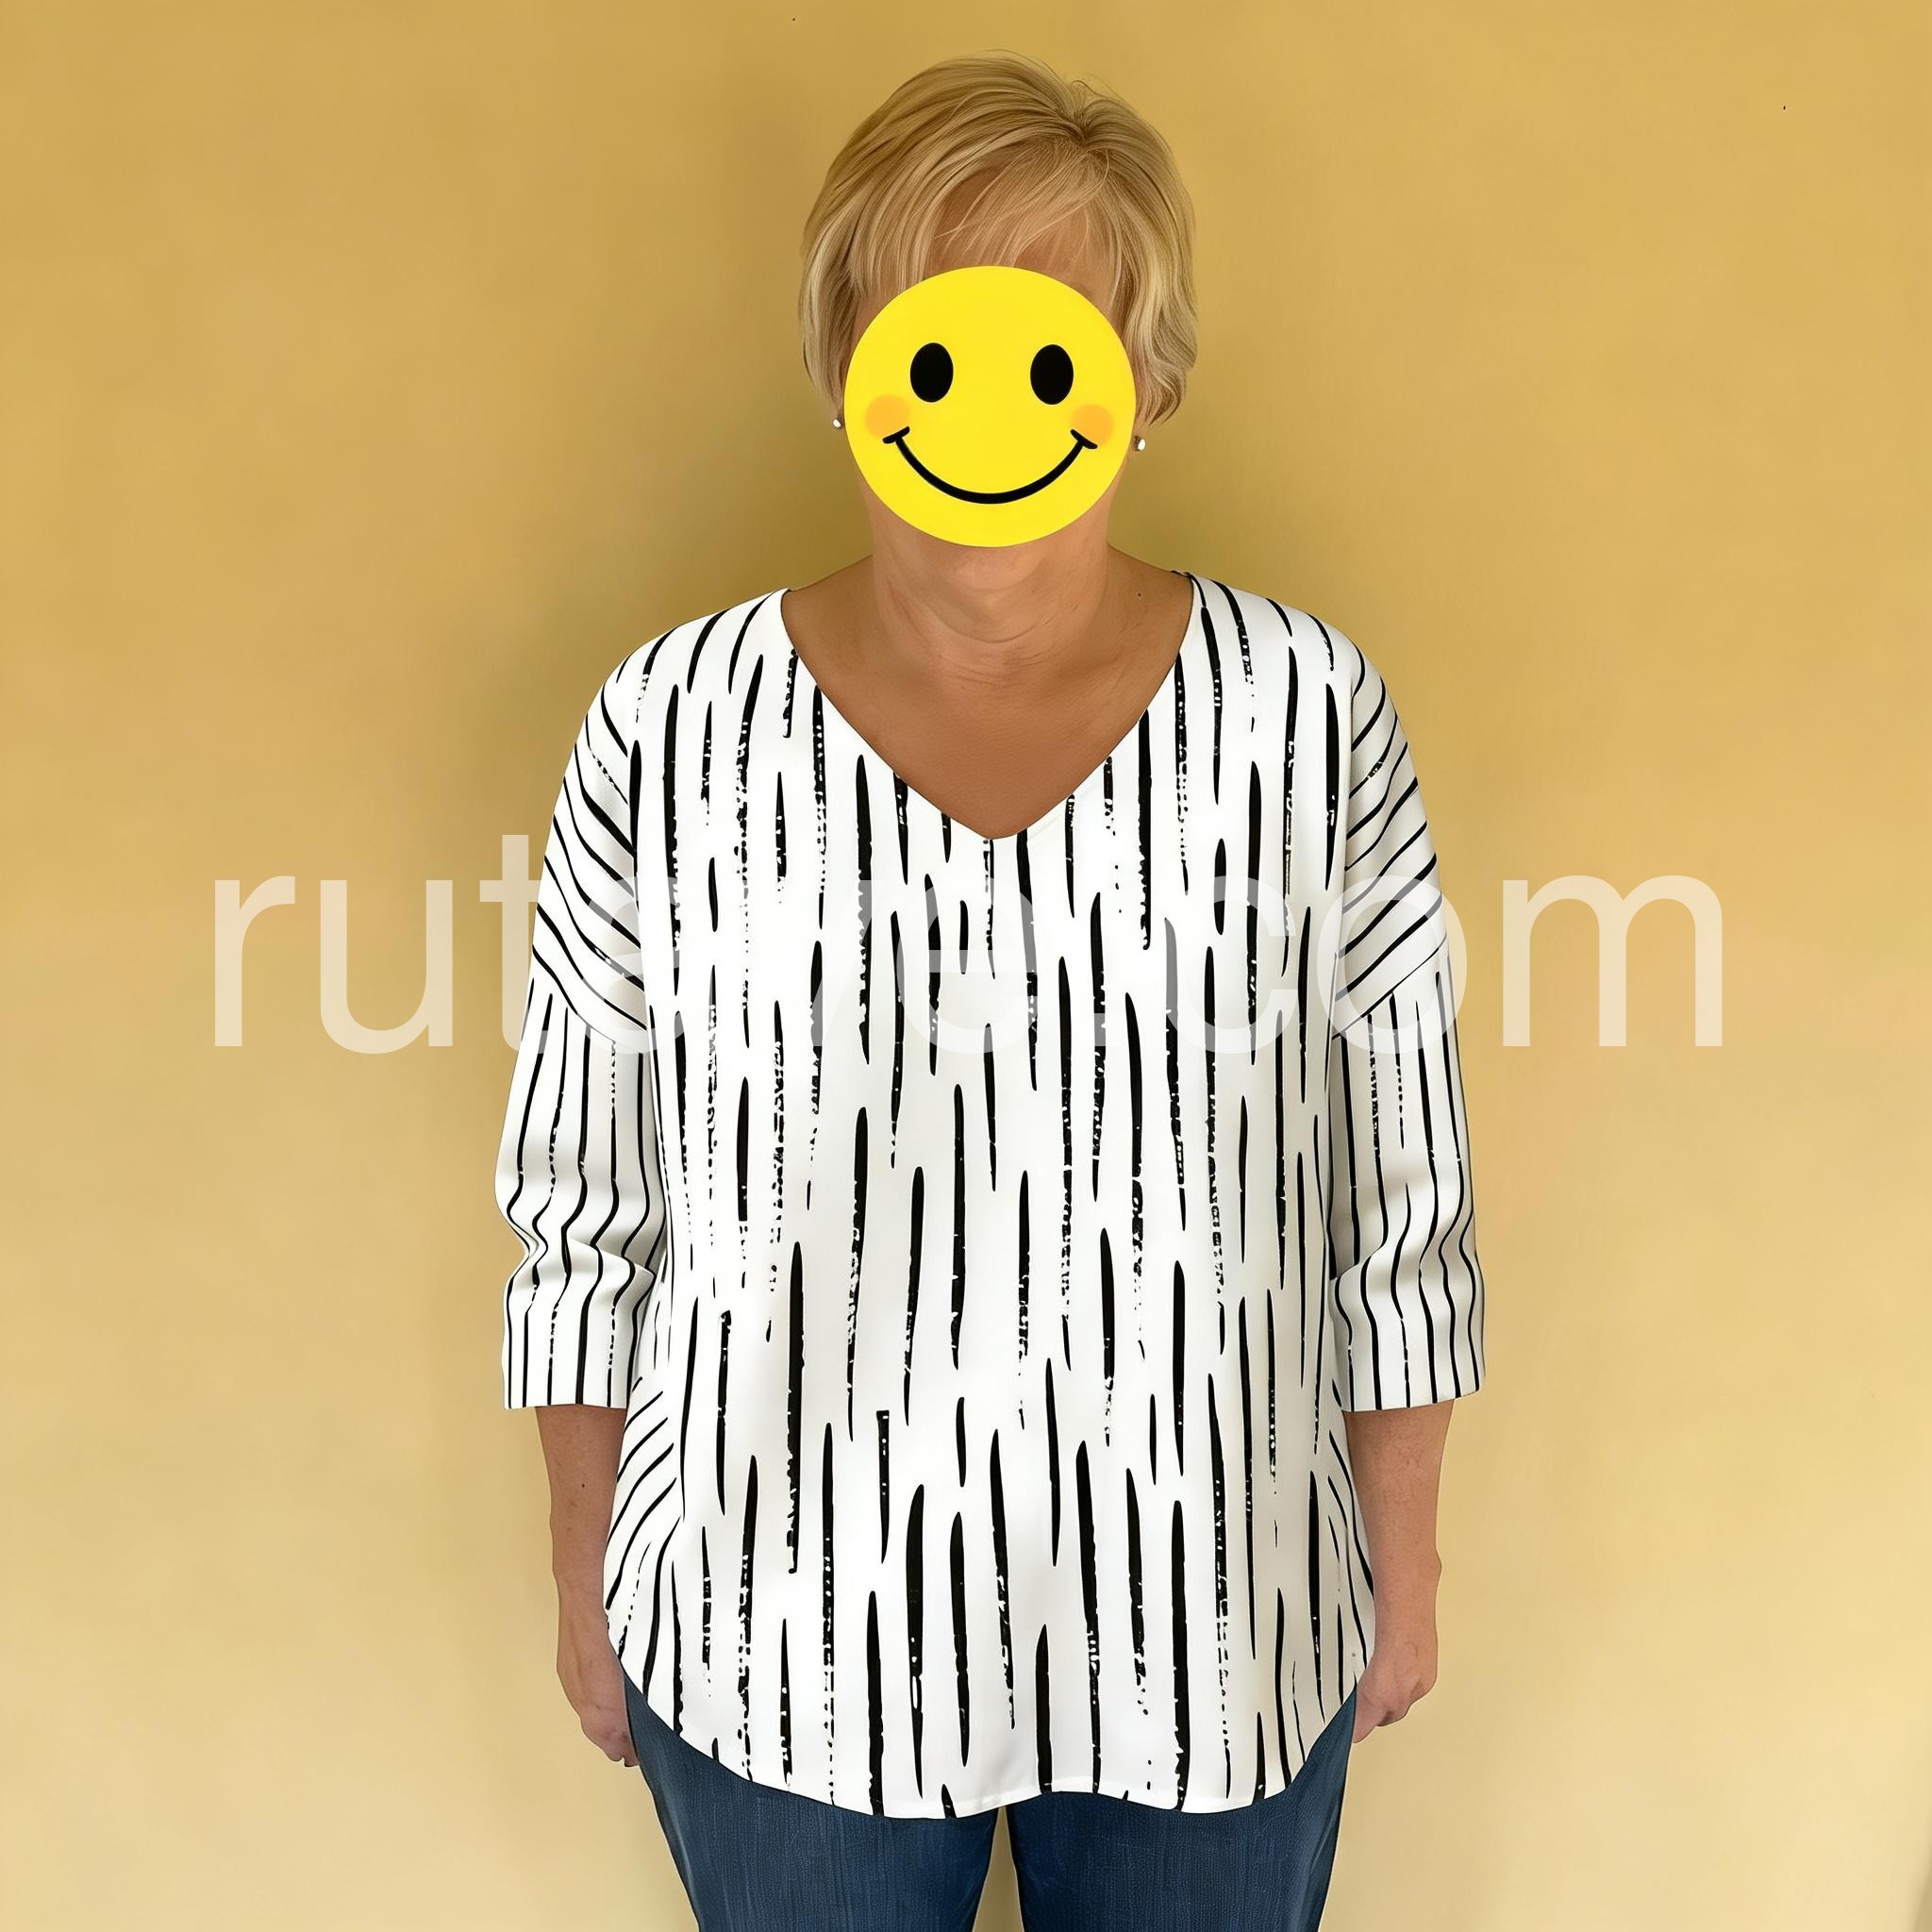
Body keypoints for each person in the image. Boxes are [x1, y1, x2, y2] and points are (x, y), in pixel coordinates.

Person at [494, 49, 1486, 1932]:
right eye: (927, 331)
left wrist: (1406, 1558)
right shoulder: (668, 729)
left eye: (1051, 341)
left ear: (1144, 382)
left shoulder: (1304, 717)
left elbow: (1397, 1194)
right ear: (844, 362)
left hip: (1222, 1627)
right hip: (777, 1646)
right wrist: (585, 1578)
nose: (985, 392)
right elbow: (584, 1211)